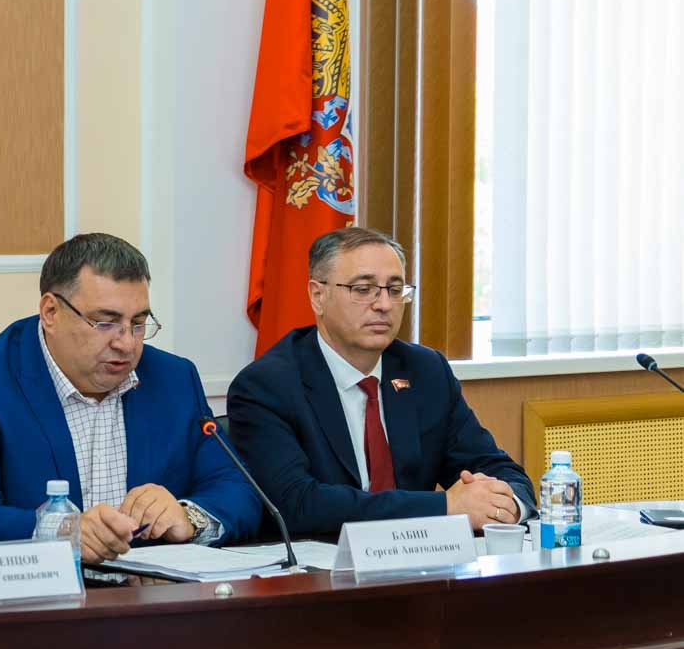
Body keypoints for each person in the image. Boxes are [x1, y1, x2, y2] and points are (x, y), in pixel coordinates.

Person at [0, 233, 260, 561]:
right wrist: (63, 531)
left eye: (138, 323)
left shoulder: (173, 379)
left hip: (150, 595)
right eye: (106, 322)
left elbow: (239, 490)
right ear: (51, 312)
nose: (126, 343)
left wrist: (188, 517)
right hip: (39, 596)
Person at [227, 227, 533, 538]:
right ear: (318, 296)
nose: (384, 304)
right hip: (319, 562)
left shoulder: (426, 371)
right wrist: (445, 506)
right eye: (363, 289)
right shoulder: (266, 386)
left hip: (421, 559)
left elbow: (501, 471)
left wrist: (503, 505)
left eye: (395, 290)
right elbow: (297, 505)